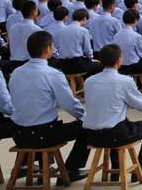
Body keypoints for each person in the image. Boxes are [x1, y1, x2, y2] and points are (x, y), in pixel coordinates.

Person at [9, 31, 90, 182]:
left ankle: (43, 168)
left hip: (19, 134)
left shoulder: (16, 73)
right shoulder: (52, 74)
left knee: (42, 117)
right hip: (44, 134)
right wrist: (85, 118)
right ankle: (71, 169)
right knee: (87, 128)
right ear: (48, 49)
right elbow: (69, 105)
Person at [83, 44, 142, 180]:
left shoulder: (89, 81)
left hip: (92, 135)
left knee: (119, 121)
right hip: (116, 134)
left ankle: (116, 168)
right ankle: (140, 167)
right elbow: (140, 103)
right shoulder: (124, 81)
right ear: (120, 60)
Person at [56, 8, 103, 77]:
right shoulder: (83, 31)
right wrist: (90, 59)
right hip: (77, 64)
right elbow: (87, 50)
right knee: (100, 66)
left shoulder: (62, 30)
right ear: (84, 18)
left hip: (63, 63)